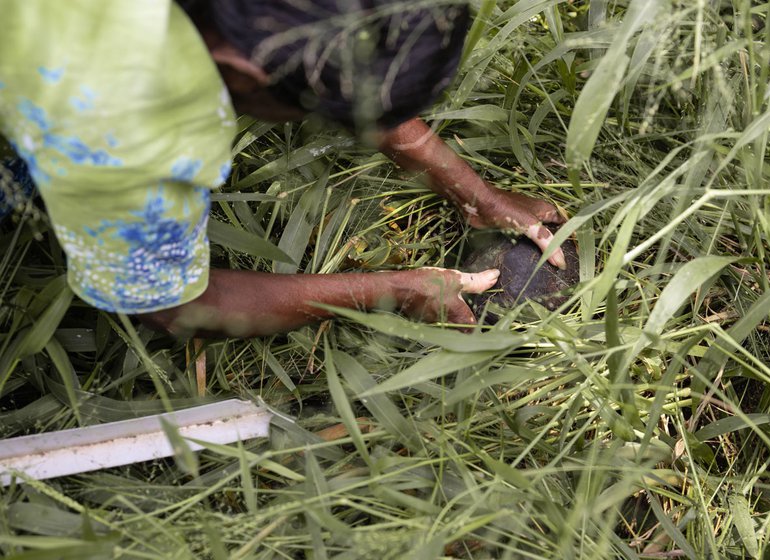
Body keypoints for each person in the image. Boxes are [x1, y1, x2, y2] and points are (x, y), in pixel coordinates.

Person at [0, 0, 566, 339]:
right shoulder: (129, 127)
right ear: (240, 71)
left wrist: (468, 188)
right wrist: (393, 289)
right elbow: (177, 306)